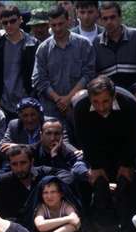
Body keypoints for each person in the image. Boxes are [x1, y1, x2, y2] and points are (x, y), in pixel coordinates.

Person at [72, 75, 136, 232]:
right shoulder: (80, 107)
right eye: (96, 102)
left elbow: (134, 137)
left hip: (125, 151)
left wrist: (126, 164)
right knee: (99, 187)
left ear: (114, 95)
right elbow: (84, 139)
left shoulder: (130, 104)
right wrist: (96, 167)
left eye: (105, 101)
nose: (101, 107)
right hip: (97, 152)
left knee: (126, 188)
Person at [31, 4, 95, 134]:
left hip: (79, 107)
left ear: (68, 21)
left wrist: (69, 98)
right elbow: (39, 79)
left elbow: (89, 74)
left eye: (60, 24)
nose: (57, 28)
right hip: (51, 111)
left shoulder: (84, 44)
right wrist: (58, 99)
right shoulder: (43, 49)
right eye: (53, 25)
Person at [0, 5, 38, 120]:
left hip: (28, 103)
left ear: (20, 20)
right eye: (5, 23)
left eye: (12, 21)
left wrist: (33, 97)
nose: (9, 25)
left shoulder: (33, 45)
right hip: (3, 105)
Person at [0, 144, 73, 224]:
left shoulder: (42, 173)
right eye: (14, 164)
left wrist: (49, 185)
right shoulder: (3, 182)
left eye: (23, 163)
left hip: (49, 221)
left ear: (31, 162)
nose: (19, 168)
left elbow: (67, 175)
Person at [93, 1, 136, 90]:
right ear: (100, 21)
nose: (109, 22)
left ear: (120, 17)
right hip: (111, 97)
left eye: (112, 17)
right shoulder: (96, 44)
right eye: (105, 18)